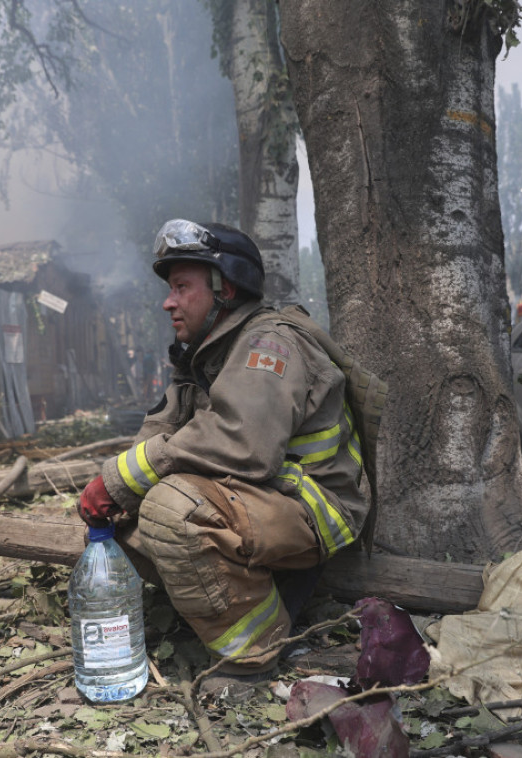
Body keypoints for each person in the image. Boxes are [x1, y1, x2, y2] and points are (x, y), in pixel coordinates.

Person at [77, 219, 371, 683]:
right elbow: (160, 433)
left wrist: (120, 481)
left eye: (181, 287)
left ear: (225, 288)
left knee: (170, 510)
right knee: (127, 517)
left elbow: (243, 442)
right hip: (257, 499)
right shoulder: (205, 355)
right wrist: (114, 492)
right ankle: (234, 606)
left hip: (312, 506)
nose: (167, 302)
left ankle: (254, 652)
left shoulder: (269, 342)